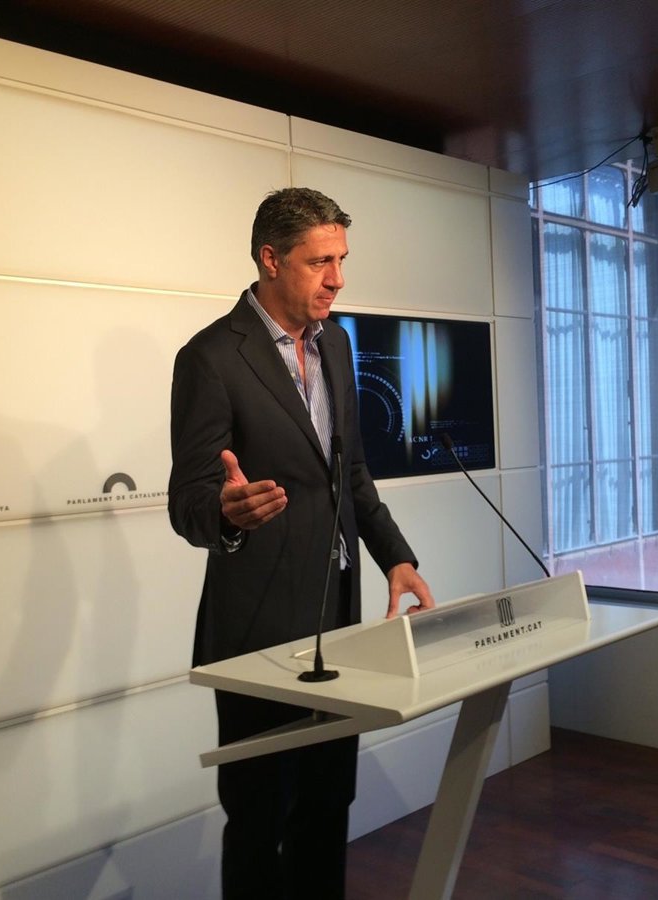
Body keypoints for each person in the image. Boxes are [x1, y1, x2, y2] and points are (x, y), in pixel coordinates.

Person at [168, 187, 435, 899]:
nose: (337, 279)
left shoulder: (336, 343)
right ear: (270, 259)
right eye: (321, 262)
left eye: (342, 259)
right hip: (256, 632)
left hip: (336, 623)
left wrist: (396, 557)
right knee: (259, 819)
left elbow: (351, 474)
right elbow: (186, 501)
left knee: (326, 805)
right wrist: (226, 513)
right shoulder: (210, 358)